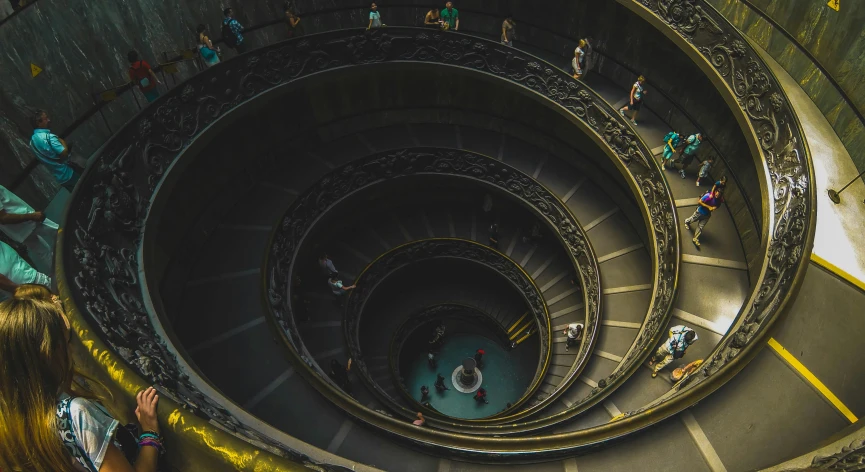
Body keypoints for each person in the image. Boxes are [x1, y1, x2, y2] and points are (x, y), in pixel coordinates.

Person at [0, 284, 163, 472]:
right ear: (50, 354)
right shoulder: (75, 415)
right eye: (65, 342)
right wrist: (150, 434)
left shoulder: (7, 424)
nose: (70, 350)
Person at [0, 184, 58, 274]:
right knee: (59, 232)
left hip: (18, 231)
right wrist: (31, 216)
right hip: (27, 221)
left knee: (44, 252)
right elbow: (3, 218)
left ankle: (61, 273)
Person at [30, 110, 80, 191]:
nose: (49, 120)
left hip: (60, 178)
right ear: (38, 123)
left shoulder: (32, 142)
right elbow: (64, 153)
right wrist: (62, 142)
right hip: (69, 173)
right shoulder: (49, 137)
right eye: (45, 119)